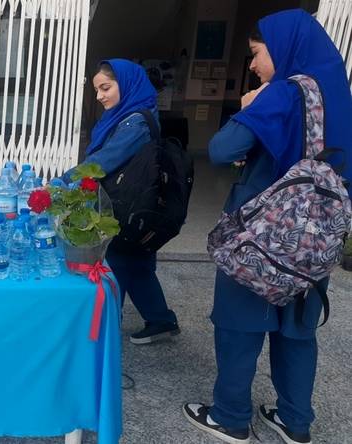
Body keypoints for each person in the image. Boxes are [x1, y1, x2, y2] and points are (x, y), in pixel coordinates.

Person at [184, 9, 352, 444]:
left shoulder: (282, 92)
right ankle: (295, 422)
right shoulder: (339, 95)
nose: (254, 65)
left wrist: (249, 108)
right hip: (314, 237)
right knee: (297, 328)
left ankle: (230, 417)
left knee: (241, 322)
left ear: (282, 48)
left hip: (263, 235)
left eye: (257, 53)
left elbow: (222, 150)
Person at [69, 59, 179, 344]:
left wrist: (64, 181)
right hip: (138, 205)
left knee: (116, 262)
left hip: (128, 207)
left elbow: (104, 161)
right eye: (97, 90)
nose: (99, 96)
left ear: (126, 84)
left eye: (105, 88)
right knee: (139, 264)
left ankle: (105, 330)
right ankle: (161, 320)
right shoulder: (128, 114)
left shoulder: (136, 122)